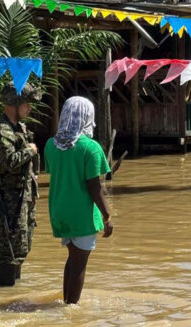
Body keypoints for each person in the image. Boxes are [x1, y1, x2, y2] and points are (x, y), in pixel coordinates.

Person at [44, 96, 113, 304]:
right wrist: (107, 215)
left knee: (73, 258)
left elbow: (54, 171)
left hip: (59, 211)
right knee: (80, 262)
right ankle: (71, 308)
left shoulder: (50, 145)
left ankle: (66, 301)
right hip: (81, 214)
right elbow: (95, 186)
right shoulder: (90, 148)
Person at [0, 83, 41, 287]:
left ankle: (13, 293)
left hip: (23, 196)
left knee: (22, 245)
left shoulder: (18, 128)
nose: (29, 108)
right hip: (10, 198)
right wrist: (31, 151)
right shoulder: (1, 130)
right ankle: (5, 293)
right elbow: (9, 161)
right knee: (9, 248)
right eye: (26, 104)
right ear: (14, 104)